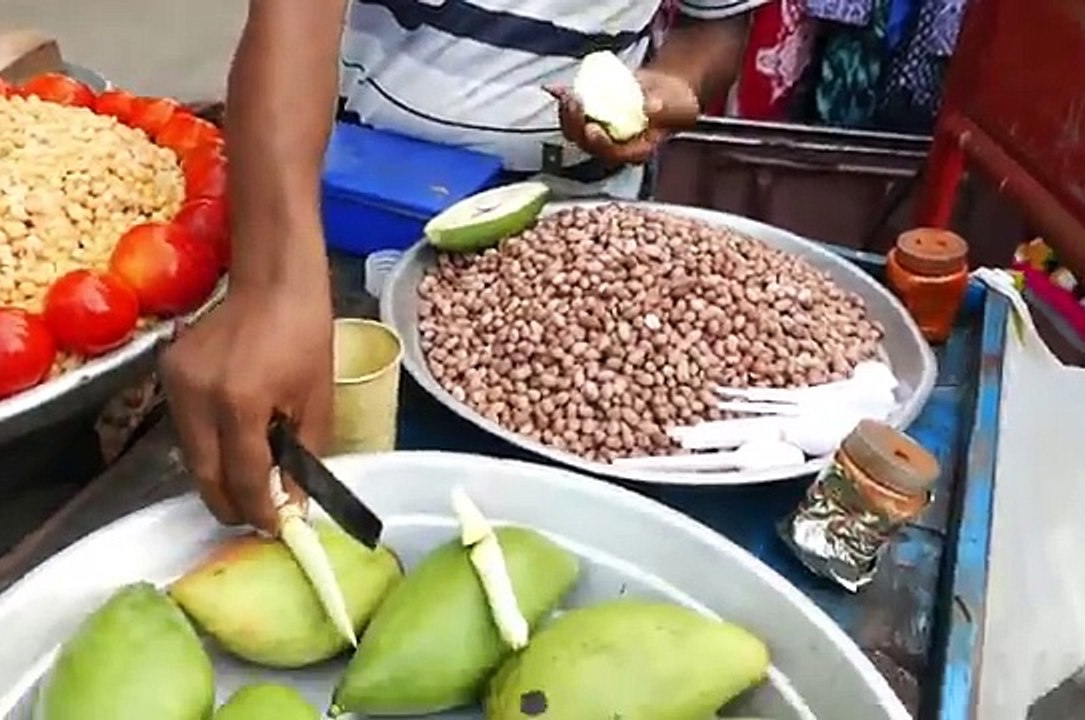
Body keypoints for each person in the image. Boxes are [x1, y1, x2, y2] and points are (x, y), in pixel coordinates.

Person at [160, 0, 769, 532]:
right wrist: (272, 282)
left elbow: (715, 28)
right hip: (348, 208)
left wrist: (667, 84)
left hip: (574, 237)